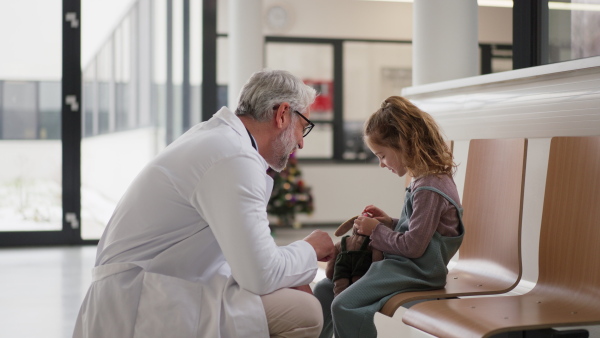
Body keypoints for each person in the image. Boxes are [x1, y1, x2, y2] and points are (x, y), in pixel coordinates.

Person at [73, 69, 335, 338]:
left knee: (293, 289)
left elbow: (248, 257)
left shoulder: (221, 141)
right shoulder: (234, 157)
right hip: (143, 302)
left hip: (153, 287)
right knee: (304, 311)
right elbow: (260, 274)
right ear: (281, 114)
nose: (301, 143)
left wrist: (294, 269)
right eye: (304, 127)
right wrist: (309, 249)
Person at [312, 96, 464, 338]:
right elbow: (420, 229)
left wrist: (375, 231)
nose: (381, 164)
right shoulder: (424, 180)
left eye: (382, 155)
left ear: (404, 144)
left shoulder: (429, 187)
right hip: (404, 265)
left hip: (419, 271)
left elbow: (414, 247)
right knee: (324, 289)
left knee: (345, 305)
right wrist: (389, 223)